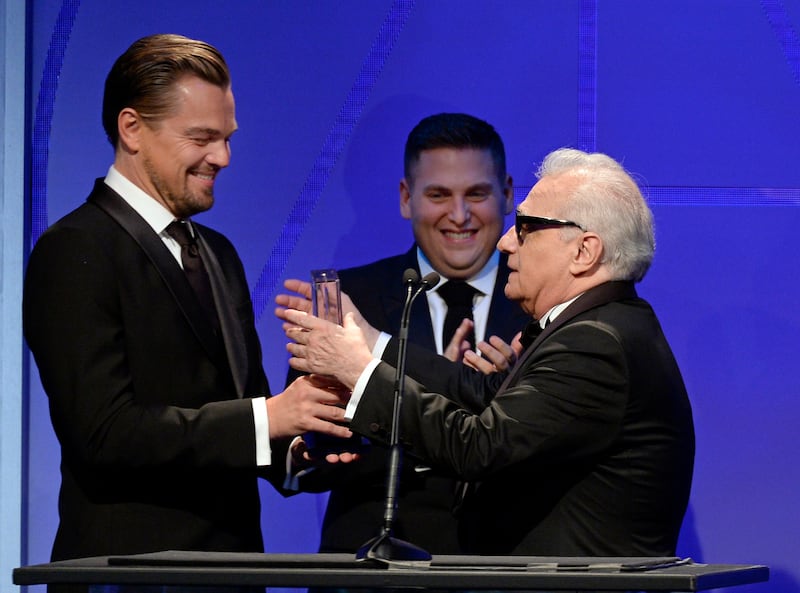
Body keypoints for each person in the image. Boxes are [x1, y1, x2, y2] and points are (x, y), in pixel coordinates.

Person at [22, 33, 351, 574]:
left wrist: (302, 446)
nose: (222, 157)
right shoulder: (76, 249)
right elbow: (104, 434)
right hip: (128, 577)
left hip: (230, 574)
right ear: (132, 128)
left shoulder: (218, 253)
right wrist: (268, 418)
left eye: (227, 138)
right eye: (202, 137)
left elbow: (241, 408)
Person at [281, 147, 696, 556]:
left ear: (583, 251)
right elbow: (480, 395)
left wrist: (359, 369)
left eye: (526, 227)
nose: (505, 241)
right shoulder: (599, 326)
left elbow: (478, 446)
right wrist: (371, 341)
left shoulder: (595, 342)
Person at [286, 113, 529, 555]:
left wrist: (507, 391)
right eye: (439, 195)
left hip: (503, 563)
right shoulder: (351, 299)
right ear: (406, 197)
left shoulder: (540, 306)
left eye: (476, 194)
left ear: (508, 194)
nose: (460, 215)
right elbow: (310, 453)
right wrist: (320, 443)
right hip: (371, 565)